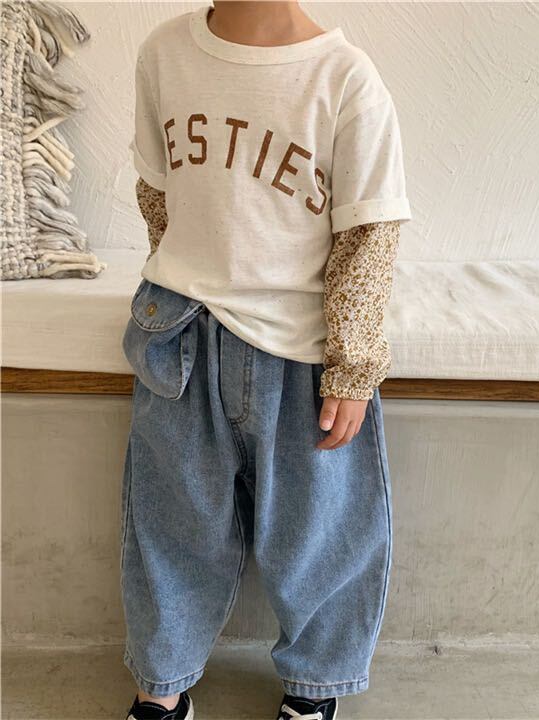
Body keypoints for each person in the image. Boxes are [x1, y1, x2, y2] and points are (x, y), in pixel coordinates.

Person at [120, 2, 411, 719]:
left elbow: (368, 234)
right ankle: (162, 684)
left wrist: (352, 366)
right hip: (182, 335)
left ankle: (314, 687)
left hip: (300, 354)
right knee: (171, 521)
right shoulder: (165, 53)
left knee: (320, 534)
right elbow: (157, 193)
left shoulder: (345, 79)